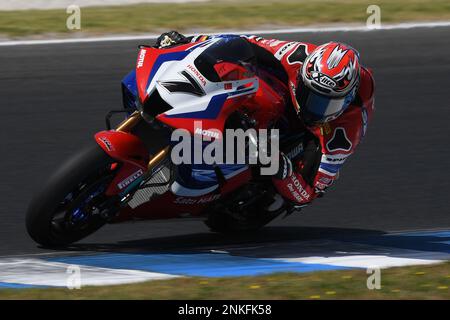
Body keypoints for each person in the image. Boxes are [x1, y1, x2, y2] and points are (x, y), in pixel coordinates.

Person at [154, 31, 375, 209]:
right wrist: (187, 40)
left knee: (306, 171)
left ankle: (237, 169)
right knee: (242, 72)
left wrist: (280, 167)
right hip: (282, 101)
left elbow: (310, 192)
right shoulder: (294, 55)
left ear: (346, 99)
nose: (313, 108)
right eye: (310, 96)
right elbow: (239, 43)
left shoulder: (348, 127)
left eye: (326, 104)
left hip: (312, 136)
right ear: (302, 75)